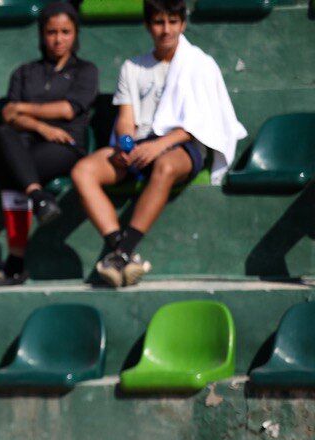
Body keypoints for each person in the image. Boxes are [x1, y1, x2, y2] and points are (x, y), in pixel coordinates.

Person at [69, 0, 244, 288]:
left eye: (173, 22)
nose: (167, 30)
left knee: (164, 165)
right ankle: (121, 251)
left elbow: (201, 123)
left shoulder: (200, 64)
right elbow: (126, 119)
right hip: (139, 146)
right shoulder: (132, 66)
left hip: (181, 146)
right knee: (83, 171)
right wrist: (126, 144)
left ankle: (122, 252)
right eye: (160, 22)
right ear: (148, 26)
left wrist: (159, 145)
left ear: (183, 24)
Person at [0, 2, 98, 288]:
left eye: (65, 32)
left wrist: (25, 111)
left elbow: (69, 110)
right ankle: (38, 196)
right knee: (5, 135)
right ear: (42, 35)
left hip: (65, 147)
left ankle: (14, 266)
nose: (58, 39)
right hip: (24, 146)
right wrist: (42, 126)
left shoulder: (86, 71)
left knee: (11, 172)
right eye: (51, 32)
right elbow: (8, 114)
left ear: (75, 34)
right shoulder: (24, 72)